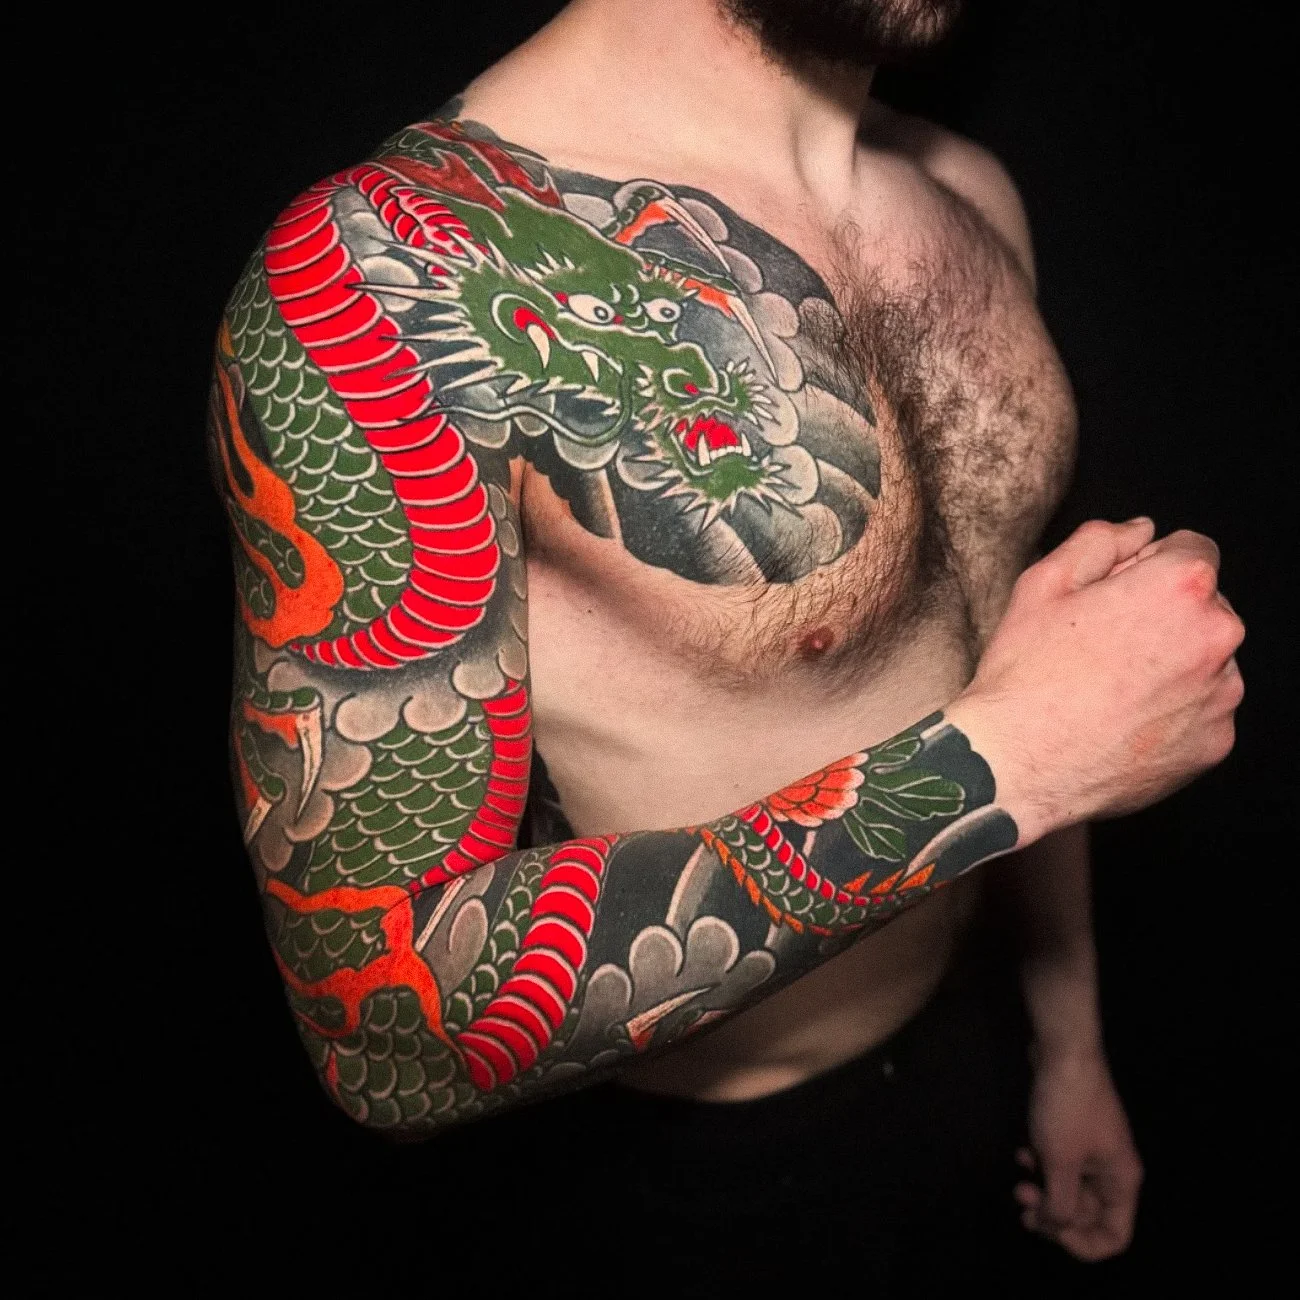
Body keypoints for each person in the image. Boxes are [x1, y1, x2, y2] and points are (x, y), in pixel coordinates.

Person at [211, 0, 1243, 1268]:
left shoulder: (967, 192)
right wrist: (1008, 763)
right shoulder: (375, 285)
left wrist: (1068, 1041)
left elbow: (1025, 659)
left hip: (960, 1061)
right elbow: (381, 1027)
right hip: (666, 1181)